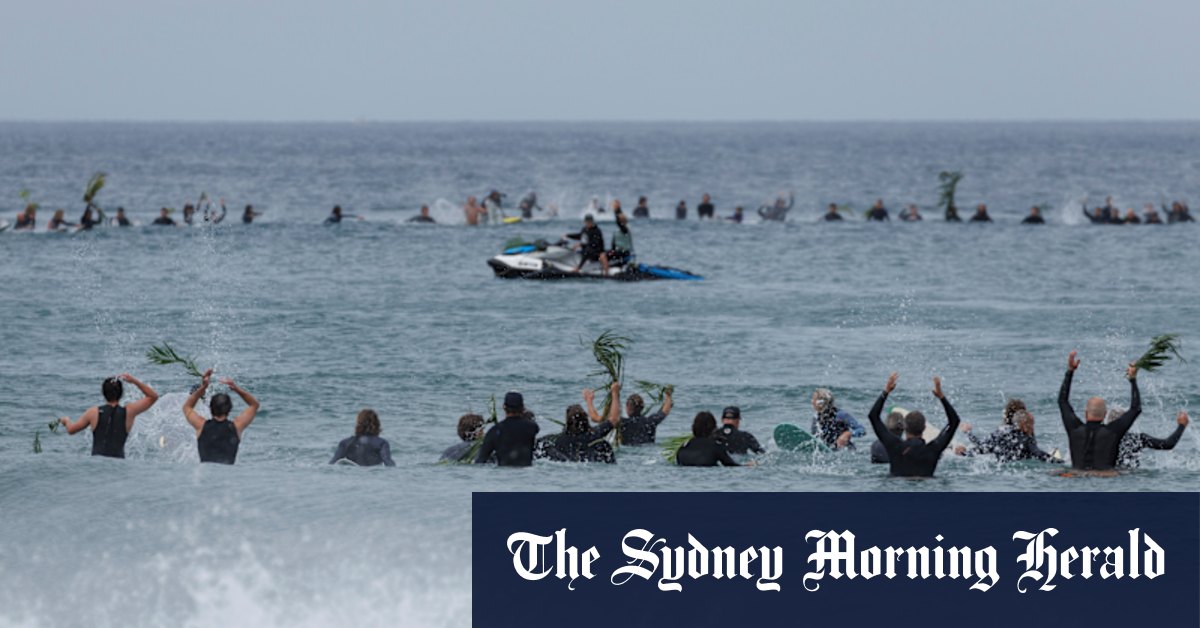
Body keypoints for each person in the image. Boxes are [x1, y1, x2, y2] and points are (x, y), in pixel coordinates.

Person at [1058, 350, 1140, 471]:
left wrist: (1070, 371)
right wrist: (1133, 379)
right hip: (1105, 475)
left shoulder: (1074, 429)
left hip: (1076, 474)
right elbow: (1135, 408)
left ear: (1086, 413)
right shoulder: (1113, 431)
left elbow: (1062, 401)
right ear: (1105, 415)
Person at [868, 373, 960, 478]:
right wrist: (941, 397)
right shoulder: (934, 448)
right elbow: (954, 421)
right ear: (924, 428)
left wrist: (886, 391)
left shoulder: (894, 446)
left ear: (905, 427)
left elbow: (873, 416)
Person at [59, 374, 159, 459]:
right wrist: (134, 381)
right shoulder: (129, 412)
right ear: (121, 393)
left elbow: (71, 430)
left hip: (96, 465)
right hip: (119, 465)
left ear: (103, 393)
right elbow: (153, 397)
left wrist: (66, 420)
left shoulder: (93, 412)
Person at [182, 368, 260, 465]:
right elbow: (254, 405)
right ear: (230, 409)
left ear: (210, 408)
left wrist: (203, 387)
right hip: (228, 478)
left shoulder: (201, 425)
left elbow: (187, 407)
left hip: (205, 476)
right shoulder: (236, 426)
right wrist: (236, 388)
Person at [540, 384, 620, 463]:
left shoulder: (557, 440)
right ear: (586, 419)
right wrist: (615, 393)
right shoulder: (594, 434)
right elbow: (613, 419)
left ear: (568, 421)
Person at [955, 410, 1058, 462]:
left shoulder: (1003, 432)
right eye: (1031, 424)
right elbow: (1037, 453)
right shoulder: (1026, 439)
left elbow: (983, 445)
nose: (1033, 427)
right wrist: (1057, 461)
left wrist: (968, 435)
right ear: (1023, 425)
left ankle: (958, 451)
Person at [474, 391, 539, 466]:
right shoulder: (532, 427)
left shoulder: (495, 431)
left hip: (504, 473)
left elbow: (480, 460)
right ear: (523, 407)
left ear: (504, 407)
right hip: (526, 472)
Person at [1113, 409, 1188, 468]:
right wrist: (1181, 425)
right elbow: (1167, 444)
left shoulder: (1103, 438)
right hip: (1131, 476)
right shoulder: (1137, 439)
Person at [602, 384, 673, 445]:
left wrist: (614, 394)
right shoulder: (650, 421)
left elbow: (612, 417)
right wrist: (668, 396)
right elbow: (664, 411)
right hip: (648, 452)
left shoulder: (622, 422)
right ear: (642, 407)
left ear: (627, 407)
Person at [330, 409, 395, 467]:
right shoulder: (382, 443)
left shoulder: (345, 443)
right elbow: (388, 463)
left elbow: (332, 463)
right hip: (373, 475)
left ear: (358, 423)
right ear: (377, 424)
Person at [676, 411, 740, 467]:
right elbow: (730, 465)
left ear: (694, 427)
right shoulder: (716, 446)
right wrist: (747, 466)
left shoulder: (684, 446)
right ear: (713, 429)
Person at [599, 207, 633, 273]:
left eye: (619, 220)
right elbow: (613, 246)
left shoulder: (625, 229)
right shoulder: (618, 231)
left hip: (624, 252)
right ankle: (607, 267)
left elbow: (619, 222)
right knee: (601, 253)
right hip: (617, 251)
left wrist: (616, 210)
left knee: (603, 255)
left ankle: (606, 273)